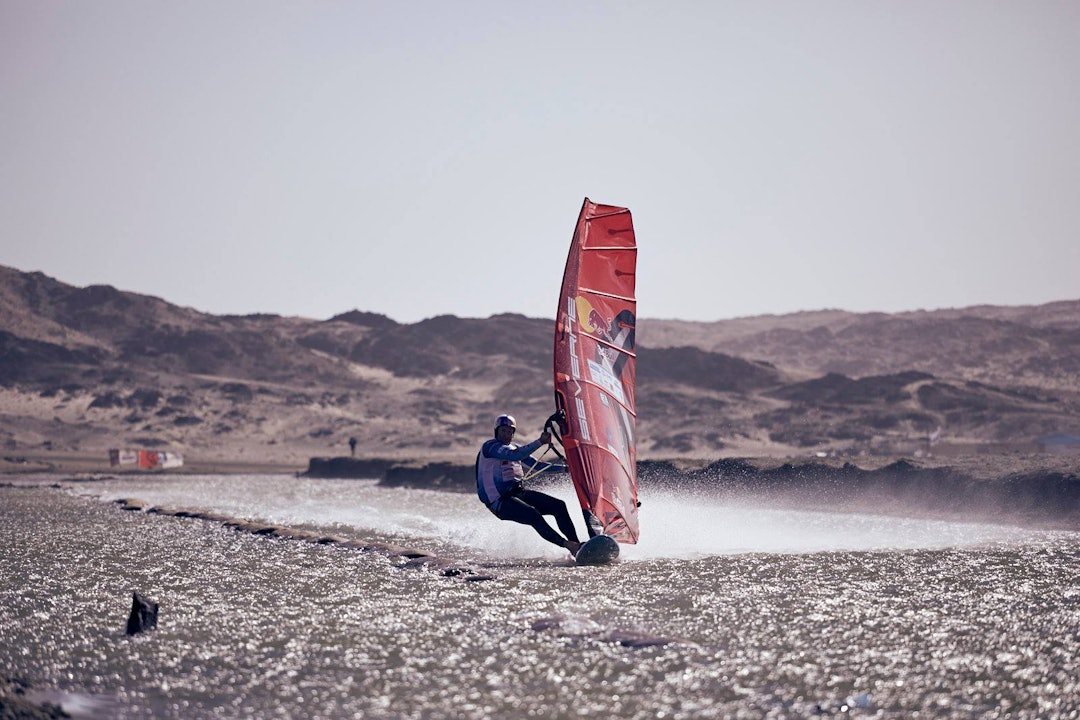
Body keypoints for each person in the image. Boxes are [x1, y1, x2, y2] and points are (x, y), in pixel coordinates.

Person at [476, 414, 582, 556]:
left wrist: (565, 469)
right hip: (499, 502)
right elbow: (515, 456)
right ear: (497, 431)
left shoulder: (515, 448)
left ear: (513, 433)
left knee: (559, 506)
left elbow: (537, 466)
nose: (506, 434)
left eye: (509, 431)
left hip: (518, 493)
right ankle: (568, 546)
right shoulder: (490, 447)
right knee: (533, 515)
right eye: (503, 431)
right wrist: (540, 442)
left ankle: (578, 547)